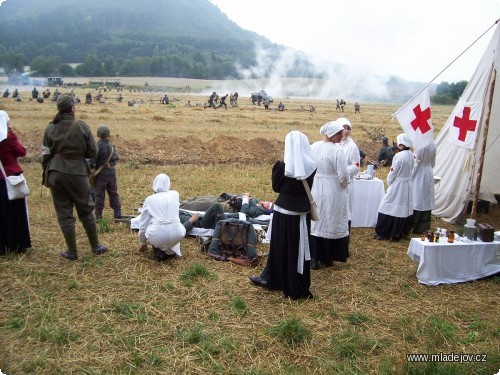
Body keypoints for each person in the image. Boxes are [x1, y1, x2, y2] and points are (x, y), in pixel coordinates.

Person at [249, 130, 316, 300]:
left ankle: (277, 279)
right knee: (296, 249)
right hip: (301, 212)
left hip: (283, 211)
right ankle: (286, 280)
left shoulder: (282, 166)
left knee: (281, 247)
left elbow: (277, 188)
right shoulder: (312, 165)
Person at [42, 93, 108, 260]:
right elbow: (93, 151)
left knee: (64, 214)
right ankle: (95, 246)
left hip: (55, 173)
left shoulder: (50, 128)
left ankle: (72, 252)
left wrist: (47, 174)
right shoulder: (81, 126)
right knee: (86, 210)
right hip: (77, 173)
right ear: (72, 108)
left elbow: (45, 155)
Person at [309, 120, 350, 269]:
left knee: (317, 221)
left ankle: (315, 256)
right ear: (331, 133)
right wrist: (345, 185)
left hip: (316, 188)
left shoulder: (312, 147)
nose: (342, 135)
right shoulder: (337, 151)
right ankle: (326, 257)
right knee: (329, 220)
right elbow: (344, 176)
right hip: (333, 190)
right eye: (339, 133)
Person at [137, 174, 189, 261]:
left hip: (157, 234)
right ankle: (171, 252)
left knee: (151, 225)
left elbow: (143, 224)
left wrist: (143, 242)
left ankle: (159, 253)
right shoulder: (175, 194)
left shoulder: (149, 199)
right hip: (178, 233)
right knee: (173, 225)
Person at [0, 110, 31, 255]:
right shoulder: (8, 137)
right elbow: (21, 151)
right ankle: (17, 244)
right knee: (15, 213)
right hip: (10, 178)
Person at [374, 133, 414, 241]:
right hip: (408, 184)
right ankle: (399, 231)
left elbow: (393, 172)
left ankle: (384, 232)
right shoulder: (411, 154)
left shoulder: (399, 156)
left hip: (399, 184)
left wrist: (390, 182)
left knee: (386, 205)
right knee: (402, 208)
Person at [90, 125, 122, 220]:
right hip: (111, 172)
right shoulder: (111, 146)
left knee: (99, 194)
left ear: (98, 135)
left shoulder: (97, 146)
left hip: (101, 173)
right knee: (113, 193)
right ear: (108, 135)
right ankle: (117, 214)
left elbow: (92, 161)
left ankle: (98, 216)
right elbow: (116, 158)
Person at [338, 117, 360, 244]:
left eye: (348, 129)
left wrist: (342, 171)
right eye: (343, 128)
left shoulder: (352, 147)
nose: (346, 131)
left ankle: (344, 240)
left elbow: (356, 167)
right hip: (334, 183)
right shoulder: (335, 143)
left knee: (346, 211)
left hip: (347, 184)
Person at [411, 141, 436, 234]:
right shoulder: (433, 143)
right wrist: (428, 166)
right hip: (428, 171)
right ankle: (424, 226)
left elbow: (416, 163)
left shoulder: (419, 144)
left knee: (417, 199)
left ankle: (415, 225)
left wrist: (411, 176)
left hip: (420, 173)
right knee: (425, 199)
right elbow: (433, 162)